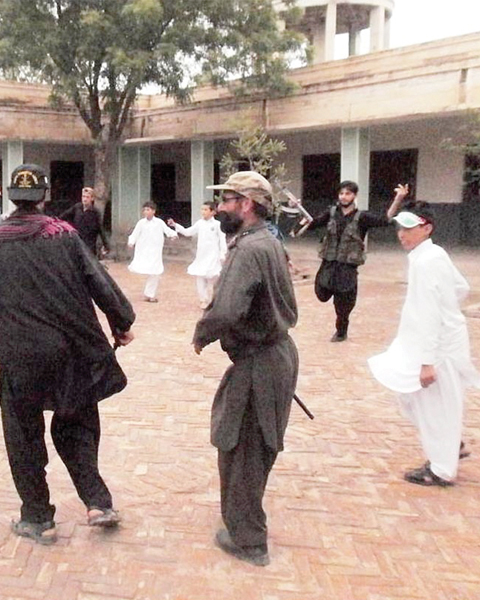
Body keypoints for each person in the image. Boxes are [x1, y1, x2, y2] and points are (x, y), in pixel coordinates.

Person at [0, 164, 135, 545]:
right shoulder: (65, 236)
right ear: (44, 197)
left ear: (12, 197)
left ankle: (37, 518)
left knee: (23, 434)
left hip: (21, 358)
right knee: (78, 425)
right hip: (72, 353)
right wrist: (121, 321)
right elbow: (100, 281)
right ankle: (97, 502)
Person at [193, 171, 298, 567]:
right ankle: (242, 522)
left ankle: (250, 539)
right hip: (272, 356)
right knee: (247, 443)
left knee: (244, 447)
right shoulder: (266, 241)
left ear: (247, 205)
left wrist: (202, 333)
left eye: (227, 200)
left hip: (262, 362)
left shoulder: (250, 249)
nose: (220, 208)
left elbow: (227, 308)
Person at [368, 203, 480, 487]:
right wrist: (449, 312)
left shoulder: (429, 260)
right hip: (427, 343)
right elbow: (460, 287)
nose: (402, 234)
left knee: (434, 405)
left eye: (409, 227)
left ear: (426, 228)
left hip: (437, 349)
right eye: (400, 227)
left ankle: (442, 469)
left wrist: (429, 361)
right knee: (408, 395)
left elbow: (430, 311)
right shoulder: (430, 255)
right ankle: (450, 445)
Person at [302, 180, 407, 342]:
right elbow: (311, 224)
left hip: (347, 267)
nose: (344, 197)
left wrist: (398, 199)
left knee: (343, 305)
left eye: (348, 193)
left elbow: (385, 220)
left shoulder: (362, 217)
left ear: (354, 196)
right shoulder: (331, 213)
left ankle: (341, 331)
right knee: (321, 293)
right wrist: (296, 209)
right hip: (329, 263)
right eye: (341, 193)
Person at [167, 200, 228, 309]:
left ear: (213, 212)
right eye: (202, 209)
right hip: (201, 256)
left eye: (206, 210)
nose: (203, 212)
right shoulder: (200, 223)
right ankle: (203, 300)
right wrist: (175, 225)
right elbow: (188, 232)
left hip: (214, 256)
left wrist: (223, 253)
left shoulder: (217, 225)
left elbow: (222, 240)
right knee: (200, 278)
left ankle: (214, 300)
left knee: (213, 278)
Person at [127, 201, 178, 302]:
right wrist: (131, 242)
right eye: (145, 210)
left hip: (155, 251)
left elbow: (167, 230)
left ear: (153, 211)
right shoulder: (141, 223)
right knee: (148, 269)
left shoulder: (159, 222)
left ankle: (150, 294)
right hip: (143, 250)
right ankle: (149, 293)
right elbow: (135, 234)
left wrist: (173, 235)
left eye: (148, 209)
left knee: (156, 271)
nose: (146, 212)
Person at [59, 187, 110, 257]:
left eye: (87, 197)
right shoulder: (77, 208)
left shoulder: (95, 213)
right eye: (83, 196)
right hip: (78, 243)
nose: (85, 199)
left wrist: (106, 245)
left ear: (92, 199)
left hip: (90, 245)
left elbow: (101, 230)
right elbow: (64, 216)